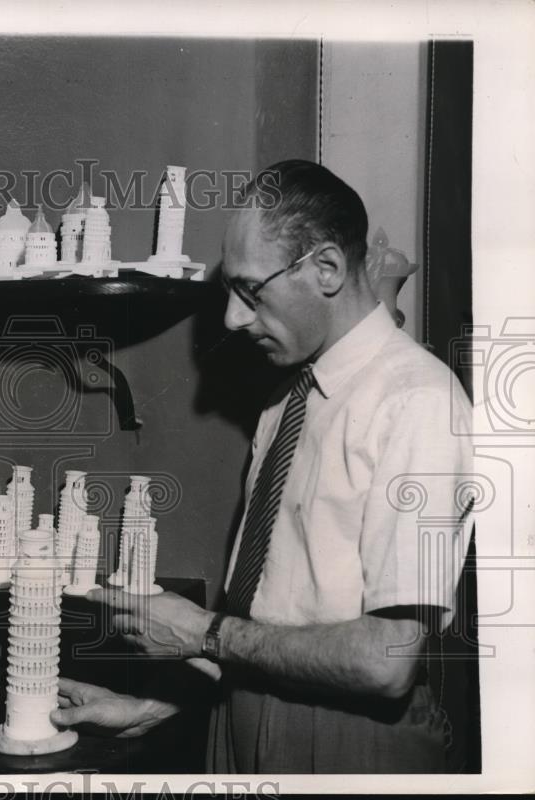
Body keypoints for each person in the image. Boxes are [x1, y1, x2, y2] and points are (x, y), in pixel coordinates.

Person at [50, 159, 474, 773]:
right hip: (239, 717)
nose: (231, 319)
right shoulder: (287, 398)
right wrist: (153, 706)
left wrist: (203, 632)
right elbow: (283, 627)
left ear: (326, 269)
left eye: (251, 291)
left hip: (352, 747)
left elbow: (388, 660)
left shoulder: (421, 402)